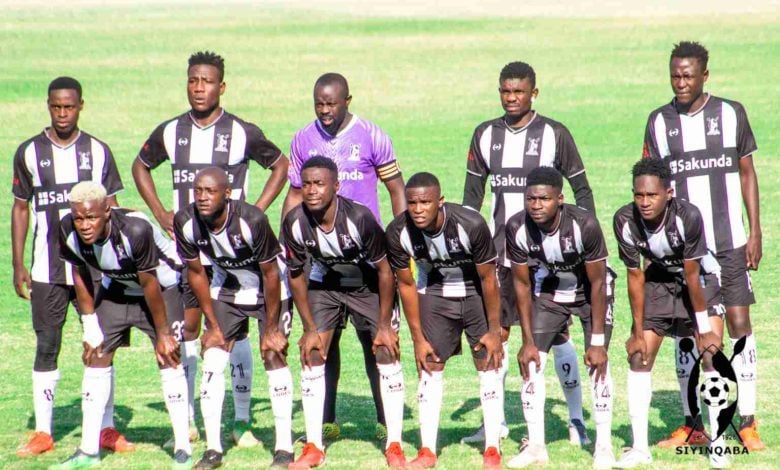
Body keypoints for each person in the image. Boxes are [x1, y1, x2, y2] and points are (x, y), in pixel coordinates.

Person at [133, 51, 290, 447]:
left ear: (222, 87)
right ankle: (186, 422)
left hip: (233, 254)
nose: (199, 88)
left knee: (234, 333)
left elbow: (281, 165)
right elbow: (140, 166)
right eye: (193, 80)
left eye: (207, 82)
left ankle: (240, 422)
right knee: (187, 330)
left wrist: (256, 211)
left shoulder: (241, 132)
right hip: (186, 251)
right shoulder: (170, 132)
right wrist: (160, 211)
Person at [462, 61, 596, 445]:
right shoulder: (485, 134)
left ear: (533, 93)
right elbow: (473, 198)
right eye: (505, 91)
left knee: (556, 337)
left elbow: (582, 190)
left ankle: (575, 421)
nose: (511, 98)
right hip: (504, 256)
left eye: (518, 92)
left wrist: (583, 240)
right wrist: (473, 245)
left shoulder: (555, 134)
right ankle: (497, 423)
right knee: (499, 334)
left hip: (552, 257)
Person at [642, 40, 764, 450]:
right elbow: (653, 186)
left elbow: (747, 173)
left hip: (730, 242)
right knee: (688, 333)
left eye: (688, 76)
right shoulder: (658, 122)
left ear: (704, 76)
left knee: (739, 325)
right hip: (683, 249)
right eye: (675, 75)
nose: (680, 82)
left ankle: (747, 420)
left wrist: (756, 231)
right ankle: (692, 421)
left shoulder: (731, 113)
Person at [11, 76, 132, 457]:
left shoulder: (97, 151)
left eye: (69, 106)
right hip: (47, 271)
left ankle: (106, 428)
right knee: (47, 345)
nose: (62, 113)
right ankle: (43, 432)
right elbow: (20, 208)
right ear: (48, 106)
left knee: (101, 344)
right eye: (55, 106)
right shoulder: (29, 152)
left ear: (81, 106)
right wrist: (18, 263)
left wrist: (116, 264)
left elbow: (113, 209)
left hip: (93, 271)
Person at [283, 72, 405, 441]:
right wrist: (287, 240)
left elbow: (396, 187)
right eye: (318, 103)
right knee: (325, 342)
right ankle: (327, 421)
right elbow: (293, 193)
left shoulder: (371, 134)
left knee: (377, 341)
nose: (324, 111)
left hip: (368, 259)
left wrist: (400, 239)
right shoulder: (303, 138)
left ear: (347, 100)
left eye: (331, 103)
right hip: (322, 260)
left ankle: (386, 420)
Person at [50, 182, 191, 469]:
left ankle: (182, 447)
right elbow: (79, 273)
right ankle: (88, 451)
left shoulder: (134, 230)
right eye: (79, 218)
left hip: (162, 287)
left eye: (91, 217)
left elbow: (150, 281)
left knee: (168, 356)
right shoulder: (66, 228)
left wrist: (164, 334)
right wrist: (90, 325)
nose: (84, 225)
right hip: (117, 286)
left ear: (107, 211)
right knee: (95, 355)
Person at [173, 167, 294, 469]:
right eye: (198, 190)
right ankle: (213, 450)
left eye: (210, 191)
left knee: (273, 354)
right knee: (212, 358)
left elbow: (270, 273)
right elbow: (197, 272)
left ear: (227, 194)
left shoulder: (252, 220)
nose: (202, 197)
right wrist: (212, 325)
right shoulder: (185, 222)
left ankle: (284, 447)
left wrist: (272, 329)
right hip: (226, 287)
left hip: (270, 289)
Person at [612, 158, 726, 468]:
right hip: (659, 280)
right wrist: (637, 331)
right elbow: (634, 277)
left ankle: (718, 442)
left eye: (652, 195)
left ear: (669, 193)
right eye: (639, 195)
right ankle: (639, 448)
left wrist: (703, 329)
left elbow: (692, 276)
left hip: (700, 278)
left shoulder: (688, 216)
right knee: (639, 355)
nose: (645, 202)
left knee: (711, 352)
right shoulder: (624, 220)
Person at [386, 172, 503, 470]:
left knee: (487, 363)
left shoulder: (470, 224)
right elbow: (407, 285)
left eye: (425, 202)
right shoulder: (398, 232)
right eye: (412, 203)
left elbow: (489, 278)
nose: (418, 209)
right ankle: (427, 450)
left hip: (475, 293)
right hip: (436, 294)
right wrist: (418, 339)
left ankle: (492, 449)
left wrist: (493, 330)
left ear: (440, 201)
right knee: (430, 363)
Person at [505, 167, 614, 469]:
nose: (536, 205)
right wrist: (527, 341)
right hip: (551, 291)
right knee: (529, 360)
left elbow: (598, 282)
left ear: (560, 199)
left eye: (544, 199)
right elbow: (522, 285)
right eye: (531, 199)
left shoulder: (584, 225)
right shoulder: (516, 227)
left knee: (597, 360)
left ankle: (603, 447)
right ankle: (536, 446)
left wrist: (597, 341)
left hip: (590, 291)